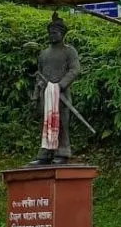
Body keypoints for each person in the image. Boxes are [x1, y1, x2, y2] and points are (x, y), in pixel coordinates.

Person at [29, 13, 82, 166]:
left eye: (55, 33)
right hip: (46, 93)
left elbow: (75, 69)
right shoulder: (43, 54)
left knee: (62, 123)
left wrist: (60, 85)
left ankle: (63, 152)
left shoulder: (69, 51)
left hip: (61, 94)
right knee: (46, 123)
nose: (52, 36)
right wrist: (36, 93)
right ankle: (45, 153)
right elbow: (39, 74)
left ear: (62, 34)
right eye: (50, 33)